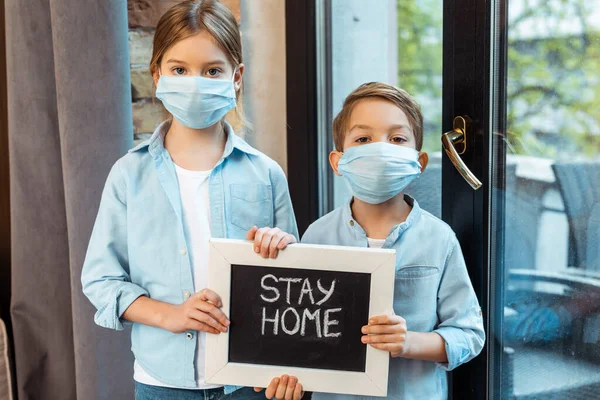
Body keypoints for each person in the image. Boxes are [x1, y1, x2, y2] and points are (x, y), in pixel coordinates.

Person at [81, 1, 302, 399]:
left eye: (212, 70)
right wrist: (172, 315)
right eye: (179, 70)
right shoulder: (128, 175)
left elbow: (295, 285)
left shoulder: (266, 174)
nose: (195, 82)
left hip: (249, 381)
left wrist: (281, 248)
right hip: (162, 382)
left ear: (236, 78)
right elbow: (100, 279)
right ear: (157, 75)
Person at [301, 82, 485, 399]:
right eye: (363, 139)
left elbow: (468, 335)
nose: (381, 149)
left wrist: (407, 342)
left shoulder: (439, 238)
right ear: (338, 162)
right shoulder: (317, 236)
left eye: (397, 138)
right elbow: (300, 331)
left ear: (419, 162)